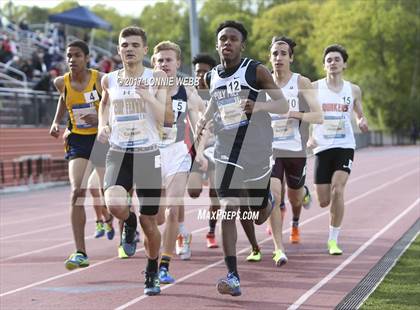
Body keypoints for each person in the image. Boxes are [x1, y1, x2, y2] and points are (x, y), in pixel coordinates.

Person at [197, 20, 289, 296]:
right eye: (223, 39)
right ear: (217, 44)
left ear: (241, 44)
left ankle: (268, 201)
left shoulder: (255, 70)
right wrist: (205, 118)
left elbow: (283, 105)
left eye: (233, 39)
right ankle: (233, 275)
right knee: (228, 209)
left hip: (257, 150)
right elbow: (215, 100)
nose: (227, 43)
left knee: (259, 216)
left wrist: (257, 104)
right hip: (226, 151)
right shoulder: (211, 76)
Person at [97, 26, 169, 296]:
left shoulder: (157, 77)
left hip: (148, 153)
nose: (129, 49)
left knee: (150, 223)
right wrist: (104, 125)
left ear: (145, 50)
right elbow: (104, 104)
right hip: (119, 151)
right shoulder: (109, 80)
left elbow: (165, 118)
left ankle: (152, 269)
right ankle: (128, 222)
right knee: (114, 203)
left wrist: (147, 96)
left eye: (135, 45)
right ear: (118, 50)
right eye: (124, 44)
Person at [49, 40, 113, 270]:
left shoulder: (100, 80)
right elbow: (63, 99)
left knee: (109, 193)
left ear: (87, 57)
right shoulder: (61, 82)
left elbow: (113, 105)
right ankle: (80, 252)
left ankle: (123, 222)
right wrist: (57, 122)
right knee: (77, 191)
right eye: (68, 56)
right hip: (78, 139)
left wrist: (102, 119)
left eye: (77, 55)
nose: (72, 60)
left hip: (102, 138)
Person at [267, 36, 323, 266]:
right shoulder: (263, 83)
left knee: (295, 196)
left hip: (295, 149)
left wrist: (295, 114)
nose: (278, 58)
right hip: (271, 149)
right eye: (274, 54)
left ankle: (297, 217)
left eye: (283, 53)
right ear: (269, 58)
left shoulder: (301, 83)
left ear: (291, 57)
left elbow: (319, 116)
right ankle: (279, 249)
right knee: (274, 196)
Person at [151, 41, 203, 283]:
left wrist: (199, 152)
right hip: (151, 155)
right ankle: (182, 233)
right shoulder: (146, 88)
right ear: (153, 64)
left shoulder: (187, 91)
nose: (164, 64)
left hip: (178, 153)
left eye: (169, 60)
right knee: (157, 216)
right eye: (160, 60)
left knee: (172, 210)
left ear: (178, 63)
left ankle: (164, 264)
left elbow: (200, 124)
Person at [310, 44, 368, 255]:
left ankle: (333, 240)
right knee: (324, 200)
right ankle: (306, 191)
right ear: (324, 65)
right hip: (322, 146)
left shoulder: (353, 89)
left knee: (338, 189)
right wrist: (310, 138)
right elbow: (308, 116)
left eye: (336, 59)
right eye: (329, 60)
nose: (332, 63)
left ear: (344, 64)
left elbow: (359, 113)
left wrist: (362, 120)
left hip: (345, 145)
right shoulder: (315, 87)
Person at [187, 53, 220, 248]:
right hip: (195, 149)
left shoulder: (218, 93)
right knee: (193, 191)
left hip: (215, 148)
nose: (200, 75)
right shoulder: (189, 94)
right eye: (198, 71)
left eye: (205, 72)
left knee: (216, 195)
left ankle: (211, 231)